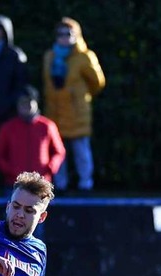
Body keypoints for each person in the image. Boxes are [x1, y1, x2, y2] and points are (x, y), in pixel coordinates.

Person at [46, 18, 105, 192]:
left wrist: (78, 96)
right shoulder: (50, 56)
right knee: (58, 152)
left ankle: (85, 183)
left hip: (77, 112)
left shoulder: (84, 56)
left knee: (81, 151)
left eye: (68, 34)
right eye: (60, 34)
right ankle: (60, 185)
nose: (64, 38)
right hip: (55, 111)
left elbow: (97, 82)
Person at [0, 85, 66, 192]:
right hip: (14, 185)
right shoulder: (7, 128)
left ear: (36, 103)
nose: (26, 105)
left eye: (29, 101)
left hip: (41, 184)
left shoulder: (47, 126)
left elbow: (59, 152)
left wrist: (50, 167)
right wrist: (11, 171)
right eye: (22, 102)